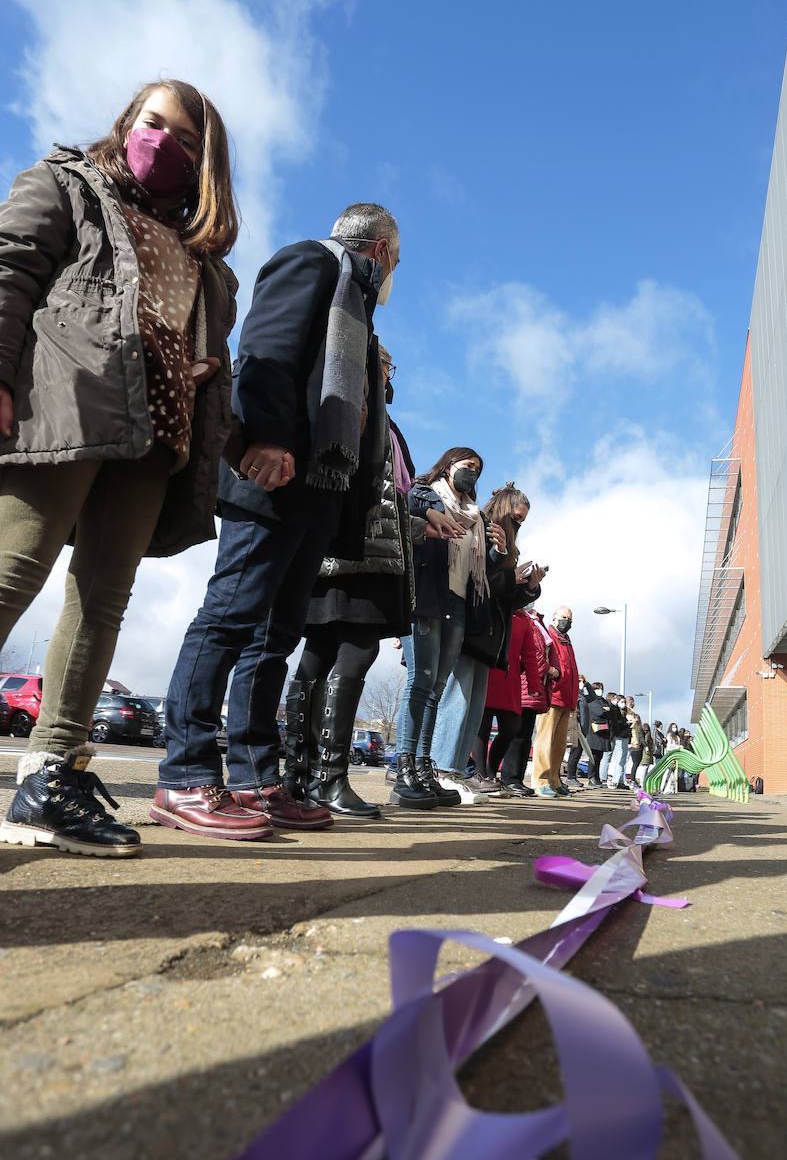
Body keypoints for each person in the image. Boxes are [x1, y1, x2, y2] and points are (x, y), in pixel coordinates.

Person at [0, 79, 238, 858]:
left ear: (208, 167)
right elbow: (11, 268)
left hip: (155, 433)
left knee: (103, 602)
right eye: (152, 123)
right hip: (66, 400)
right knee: (13, 569)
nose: (163, 142)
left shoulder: (211, 268)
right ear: (125, 123)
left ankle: (50, 774)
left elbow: (207, 356)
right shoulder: (67, 185)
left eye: (187, 140)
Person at [152, 202, 400, 840]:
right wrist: (263, 436)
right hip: (271, 474)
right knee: (231, 618)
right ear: (381, 251)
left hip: (316, 492)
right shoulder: (313, 262)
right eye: (394, 261)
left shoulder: (360, 313)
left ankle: (257, 777)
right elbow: (264, 351)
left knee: (275, 637)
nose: (393, 274)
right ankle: (185, 775)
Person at [282, 346, 457, 818]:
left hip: (362, 549)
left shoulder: (385, 423)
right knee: (347, 649)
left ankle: (302, 776)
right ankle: (323, 776)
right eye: (382, 363)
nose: (387, 372)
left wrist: (422, 526)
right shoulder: (350, 406)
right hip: (353, 552)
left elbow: (390, 500)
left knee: (321, 651)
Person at [389, 447, 505, 808]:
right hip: (426, 594)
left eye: (478, 470)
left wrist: (498, 551)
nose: (472, 474)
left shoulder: (476, 515)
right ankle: (404, 767)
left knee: (437, 687)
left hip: (457, 602)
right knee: (420, 681)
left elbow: (481, 567)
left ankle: (425, 769)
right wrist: (428, 515)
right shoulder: (424, 493)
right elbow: (405, 515)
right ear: (448, 465)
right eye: (467, 466)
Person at [432, 482, 545, 800]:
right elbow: (477, 579)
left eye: (523, 520)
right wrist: (508, 571)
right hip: (472, 625)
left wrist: (528, 587)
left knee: (471, 704)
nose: (519, 524)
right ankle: (442, 768)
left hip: (492, 632)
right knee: (457, 698)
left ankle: (454, 771)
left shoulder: (507, 541)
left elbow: (506, 598)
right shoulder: (481, 526)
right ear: (504, 508)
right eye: (517, 517)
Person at [472, 607, 543, 793]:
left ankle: (490, 771)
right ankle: (480, 775)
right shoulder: (494, 608)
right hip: (485, 673)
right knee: (482, 727)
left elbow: (529, 654)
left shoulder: (524, 620)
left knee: (511, 727)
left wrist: (535, 685)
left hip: (509, 680)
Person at [500, 605, 551, 796]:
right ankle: (509, 778)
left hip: (531, 686)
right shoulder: (522, 621)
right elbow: (529, 654)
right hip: (522, 684)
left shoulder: (535, 624)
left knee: (524, 736)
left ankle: (516, 778)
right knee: (516, 734)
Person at [531, 606, 579, 797]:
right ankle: (541, 780)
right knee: (545, 740)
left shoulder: (566, 640)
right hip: (553, 696)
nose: (566, 621)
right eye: (563, 617)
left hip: (566, 698)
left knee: (559, 744)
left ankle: (554, 780)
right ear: (554, 617)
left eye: (569, 619)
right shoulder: (548, 635)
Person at [580, 679, 614, 785]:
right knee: (593, 756)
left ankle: (597, 777)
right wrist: (605, 710)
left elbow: (611, 712)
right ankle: (591, 777)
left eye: (601, 689)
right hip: (594, 731)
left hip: (603, 732)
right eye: (598, 689)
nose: (600, 691)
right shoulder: (592, 700)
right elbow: (599, 712)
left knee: (599, 757)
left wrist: (607, 710)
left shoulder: (603, 701)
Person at [607, 691, 631, 789]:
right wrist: (627, 722)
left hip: (624, 736)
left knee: (622, 760)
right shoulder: (616, 711)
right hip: (619, 736)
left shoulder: (625, 711)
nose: (623, 703)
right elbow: (617, 723)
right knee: (619, 759)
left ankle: (619, 780)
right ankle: (616, 780)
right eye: (621, 701)